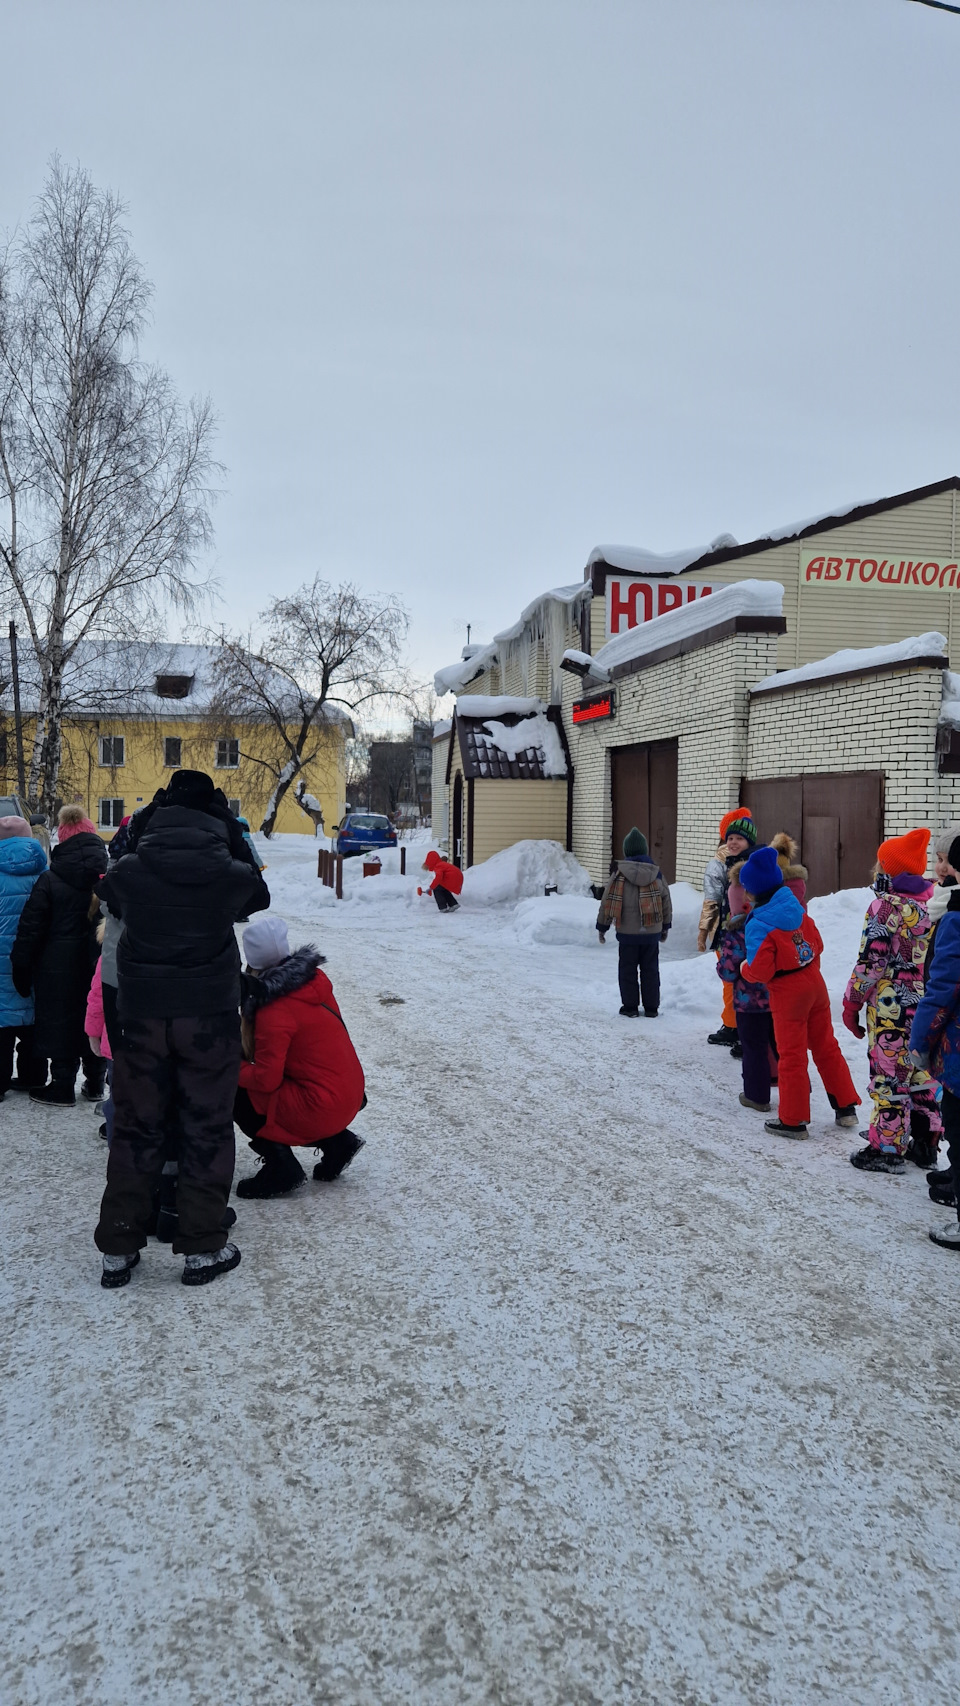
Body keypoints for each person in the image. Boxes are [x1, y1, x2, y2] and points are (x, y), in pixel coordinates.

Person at [93, 768, 270, 1289]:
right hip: (209, 1018)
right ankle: (201, 1246)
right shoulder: (229, 872)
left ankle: (120, 1246)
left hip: (141, 1015)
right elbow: (258, 896)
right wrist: (229, 832)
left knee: (134, 1126)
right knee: (206, 1127)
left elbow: (110, 892)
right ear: (214, 818)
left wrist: (146, 821)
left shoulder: (130, 869)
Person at [233, 916, 366, 1199]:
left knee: (237, 1092)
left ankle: (282, 1168)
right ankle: (338, 1142)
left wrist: (231, 1067)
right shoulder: (314, 980)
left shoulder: (273, 1009)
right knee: (291, 1087)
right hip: (349, 1094)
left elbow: (267, 1080)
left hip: (322, 1105)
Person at [739, 844, 860, 1139]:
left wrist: (745, 968)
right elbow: (817, 944)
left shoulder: (758, 923)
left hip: (788, 993)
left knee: (791, 1055)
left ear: (753, 890)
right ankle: (846, 1107)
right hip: (814, 983)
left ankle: (793, 1120)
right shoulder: (795, 906)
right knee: (826, 1046)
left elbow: (761, 970)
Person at [842, 829, 941, 1176]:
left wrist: (852, 1001)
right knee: (920, 1073)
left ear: (890, 871)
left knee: (889, 1075)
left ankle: (886, 1147)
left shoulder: (885, 906)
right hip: (924, 1003)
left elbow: (873, 961)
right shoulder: (928, 906)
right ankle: (927, 1142)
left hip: (890, 1007)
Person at [11, 804, 108, 1106]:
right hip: (96, 963)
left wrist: (21, 966)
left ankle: (62, 1084)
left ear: (62, 842)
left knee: (60, 1020)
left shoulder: (50, 880)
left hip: (55, 966)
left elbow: (30, 928)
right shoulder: (108, 879)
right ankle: (95, 1083)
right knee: (94, 1017)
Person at [911, 828, 960, 1250]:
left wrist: (921, 1041)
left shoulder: (956, 916)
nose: (941, 868)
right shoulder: (944, 906)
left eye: (948, 861)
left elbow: (942, 987)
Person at [717, 868, 778, 1111]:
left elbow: (729, 971)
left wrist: (722, 963)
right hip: (775, 997)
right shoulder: (772, 922)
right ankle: (795, 1087)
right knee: (779, 1045)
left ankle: (757, 1096)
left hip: (748, 1003)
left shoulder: (737, 931)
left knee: (753, 1049)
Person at [596, 827, 672, 1017]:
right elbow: (666, 901)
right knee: (650, 970)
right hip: (651, 932)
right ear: (645, 850)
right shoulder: (656, 874)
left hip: (627, 933)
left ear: (627, 851)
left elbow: (607, 902)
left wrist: (603, 927)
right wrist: (665, 926)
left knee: (628, 970)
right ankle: (652, 1008)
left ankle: (630, 1007)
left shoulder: (618, 874)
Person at [699, 808, 758, 1045]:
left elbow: (713, 899)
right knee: (730, 981)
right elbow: (714, 900)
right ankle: (733, 1026)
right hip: (727, 935)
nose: (732, 843)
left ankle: (744, 1030)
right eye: (730, 838)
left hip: (748, 935)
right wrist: (706, 931)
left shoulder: (751, 866)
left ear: (749, 841)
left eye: (739, 839)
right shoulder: (729, 862)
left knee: (746, 981)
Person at [0, 817, 48, 1097]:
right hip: (34, 959)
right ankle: (33, 1075)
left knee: (2, 1019)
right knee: (32, 1018)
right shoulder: (44, 872)